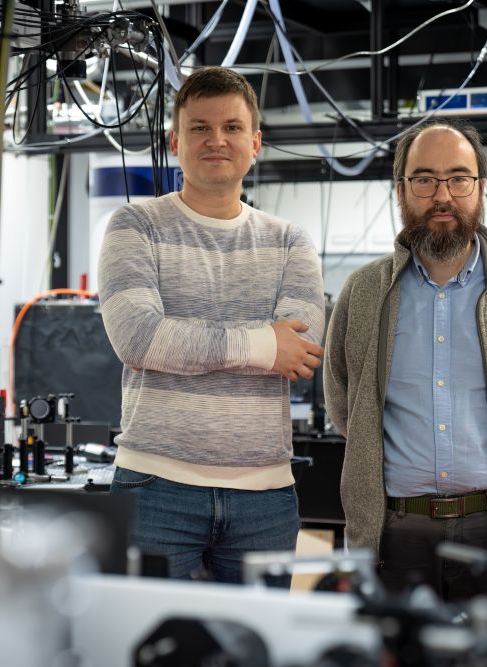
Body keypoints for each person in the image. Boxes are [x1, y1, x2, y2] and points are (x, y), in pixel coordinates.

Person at [323, 118, 487, 598]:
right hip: (394, 536)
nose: (442, 194)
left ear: (481, 187)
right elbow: (343, 404)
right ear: (400, 190)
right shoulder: (363, 292)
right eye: (424, 179)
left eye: (458, 178)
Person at [98, 66, 326, 585]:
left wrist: (186, 342)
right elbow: (138, 338)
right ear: (175, 141)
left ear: (255, 142)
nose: (216, 139)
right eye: (199, 127)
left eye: (232, 127)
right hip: (155, 484)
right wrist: (260, 344)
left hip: (264, 496)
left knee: (253, 648)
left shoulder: (289, 240)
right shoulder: (136, 225)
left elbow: (302, 346)